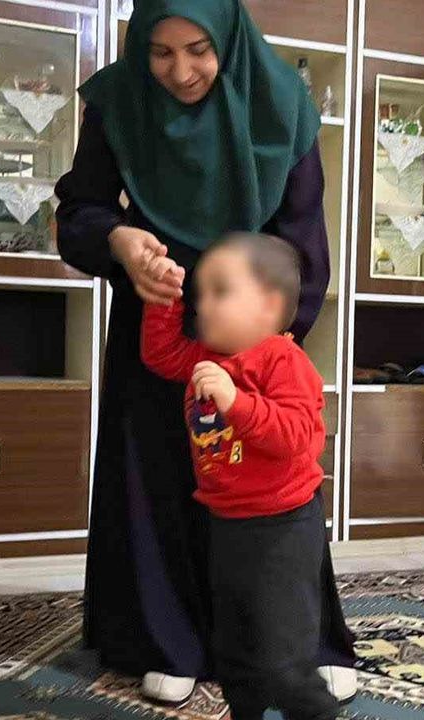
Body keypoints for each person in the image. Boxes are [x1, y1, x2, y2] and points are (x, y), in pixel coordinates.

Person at [53, 0, 357, 705]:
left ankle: (300, 643)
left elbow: (302, 238)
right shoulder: (119, 103)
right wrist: (119, 239)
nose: (181, 71)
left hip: (252, 325)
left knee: (269, 485)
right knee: (159, 474)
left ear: (228, 40)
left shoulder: (281, 103)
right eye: (160, 52)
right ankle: (169, 641)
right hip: (155, 314)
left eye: (198, 50)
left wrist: (269, 336)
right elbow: (79, 211)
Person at [140, 232, 339, 720]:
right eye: (201, 293)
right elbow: (160, 354)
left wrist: (235, 401)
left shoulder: (283, 360)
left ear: (269, 305)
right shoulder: (206, 358)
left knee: (283, 656)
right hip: (227, 522)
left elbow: (298, 437)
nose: (203, 305)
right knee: (234, 649)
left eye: (221, 292)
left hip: (283, 526)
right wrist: (165, 299)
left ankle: (315, 711)